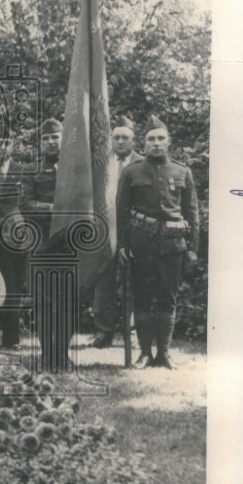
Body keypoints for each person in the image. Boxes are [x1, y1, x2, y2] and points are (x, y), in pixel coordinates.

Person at [117, 114, 199, 369]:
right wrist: (121, 245)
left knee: (168, 299)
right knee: (142, 298)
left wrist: (193, 249)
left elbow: (193, 212)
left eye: (160, 138)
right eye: (151, 139)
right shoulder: (132, 172)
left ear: (168, 142)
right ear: (144, 143)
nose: (156, 143)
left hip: (173, 247)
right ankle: (144, 354)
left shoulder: (182, 171)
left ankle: (163, 353)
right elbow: (121, 211)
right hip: (141, 247)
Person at [90, 115, 144, 348]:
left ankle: (132, 333)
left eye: (125, 137)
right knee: (104, 283)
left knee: (137, 282)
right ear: (110, 140)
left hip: (135, 232)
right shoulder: (100, 164)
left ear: (134, 141)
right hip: (105, 230)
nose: (120, 141)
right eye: (116, 137)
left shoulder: (143, 164)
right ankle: (104, 333)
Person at [0, 135, 26, 351]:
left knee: (12, 286)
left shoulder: (22, 171)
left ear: (14, 145)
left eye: (7, 142)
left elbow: (25, 204)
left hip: (12, 238)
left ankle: (11, 339)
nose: (2, 146)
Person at [19, 117, 62, 241]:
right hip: (43, 238)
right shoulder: (30, 170)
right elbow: (24, 205)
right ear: (40, 143)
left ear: (64, 139)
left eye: (55, 137)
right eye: (45, 138)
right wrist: (52, 208)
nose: (50, 142)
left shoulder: (76, 167)